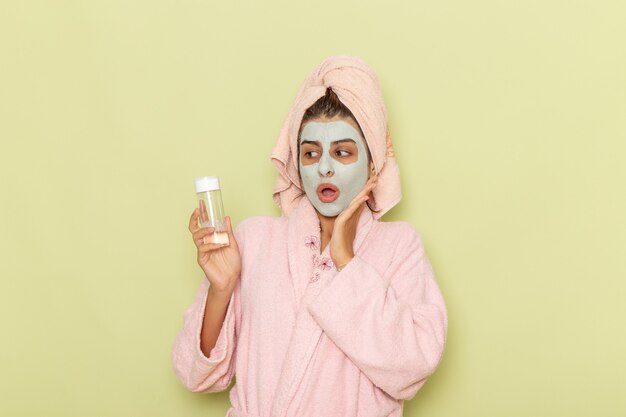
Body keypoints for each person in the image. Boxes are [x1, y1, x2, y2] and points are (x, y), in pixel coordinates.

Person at [171, 55, 448, 417]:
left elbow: (413, 364)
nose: (325, 167)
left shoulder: (399, 246)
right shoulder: (255, 240)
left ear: (372, 163)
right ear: (297, 165)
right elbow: (198, 376)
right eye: (311, 152)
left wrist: (346, 261)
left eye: (343, 152)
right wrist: (222, 289)